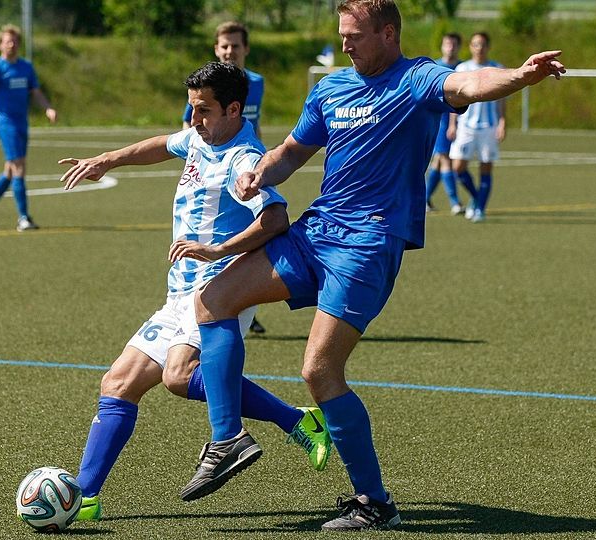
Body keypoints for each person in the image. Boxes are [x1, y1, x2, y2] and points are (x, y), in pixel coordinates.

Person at [179, 0, 565, 531]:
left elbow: (469, 86)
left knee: (318, 371)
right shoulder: (331, 88)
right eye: (342, 34)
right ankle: (228, 439)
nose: (345, 44)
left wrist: (519, 76)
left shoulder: (418, 79)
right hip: (316, 232)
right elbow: (293, 150)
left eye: (355, 34)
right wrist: (261, 174)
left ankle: (373, 501)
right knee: (212, 301)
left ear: (387, 33)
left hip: (367, 247)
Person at [58, 61, 333, 521]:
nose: (193, 121)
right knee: (118, 383)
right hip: (177, 296)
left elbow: (276, 219)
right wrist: (105, 160)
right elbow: (163, 144)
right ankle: (83, 497)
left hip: (217, 293)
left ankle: (282, 424)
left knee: (179, 376)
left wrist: (217, 249)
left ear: (234, 109)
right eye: (191, 110)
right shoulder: (200, 138)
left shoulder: (243, 159)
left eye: (203, 111)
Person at [181, 21, 270, 334]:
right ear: (216, 49)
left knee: (252, 229)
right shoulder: (207, 86)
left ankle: (242, 299)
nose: (229, 51)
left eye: (235, 45)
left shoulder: (256, 82)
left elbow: (252, 124)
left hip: (244, 164)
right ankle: (212, 297)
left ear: (245, 48)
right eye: (224, 46)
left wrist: (259, 160)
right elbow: (189, 129)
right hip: (213, 165)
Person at [0, 24, 56, 231]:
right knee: (19, 167)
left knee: (10, 171)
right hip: (6, 123)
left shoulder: (26, 67)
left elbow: (36, 92)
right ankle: (24, 218)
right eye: (8, 41)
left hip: (22, 124)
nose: (12, 45)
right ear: (0, 45)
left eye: (15, 41)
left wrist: (48, 108)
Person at [448, 32, 505, 223]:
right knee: (458, 168)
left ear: (488, 47)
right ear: (470, 47)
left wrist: (502, 122)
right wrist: (452, 124)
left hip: (489, 127)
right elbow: (453, 99)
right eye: (475, 44)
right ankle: (476, 197)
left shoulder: (497, 68)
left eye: (482, 44)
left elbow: (502, 100)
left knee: (486, 169)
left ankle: (480, 208)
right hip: (466, 127)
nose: (478, 48)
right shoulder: (462, 68)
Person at [423, 32, 465, 215]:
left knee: (438, 162)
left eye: (454, 44)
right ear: (442, 46)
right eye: (447, 44)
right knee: (445, 159)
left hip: (459, 120)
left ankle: (423, 200)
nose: (450, 47)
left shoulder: (462, 67)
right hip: (441, 122)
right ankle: (455, 203)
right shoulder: (436, 66)